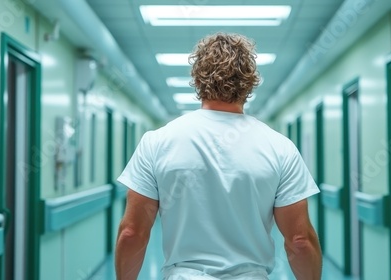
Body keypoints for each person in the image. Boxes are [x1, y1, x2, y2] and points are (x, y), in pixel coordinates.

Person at [115, 33, 322, 280]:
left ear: (197, 79)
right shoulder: (279, 147)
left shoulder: (157, 142)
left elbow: (131, 233)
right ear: (249, 82)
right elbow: (300, 241)